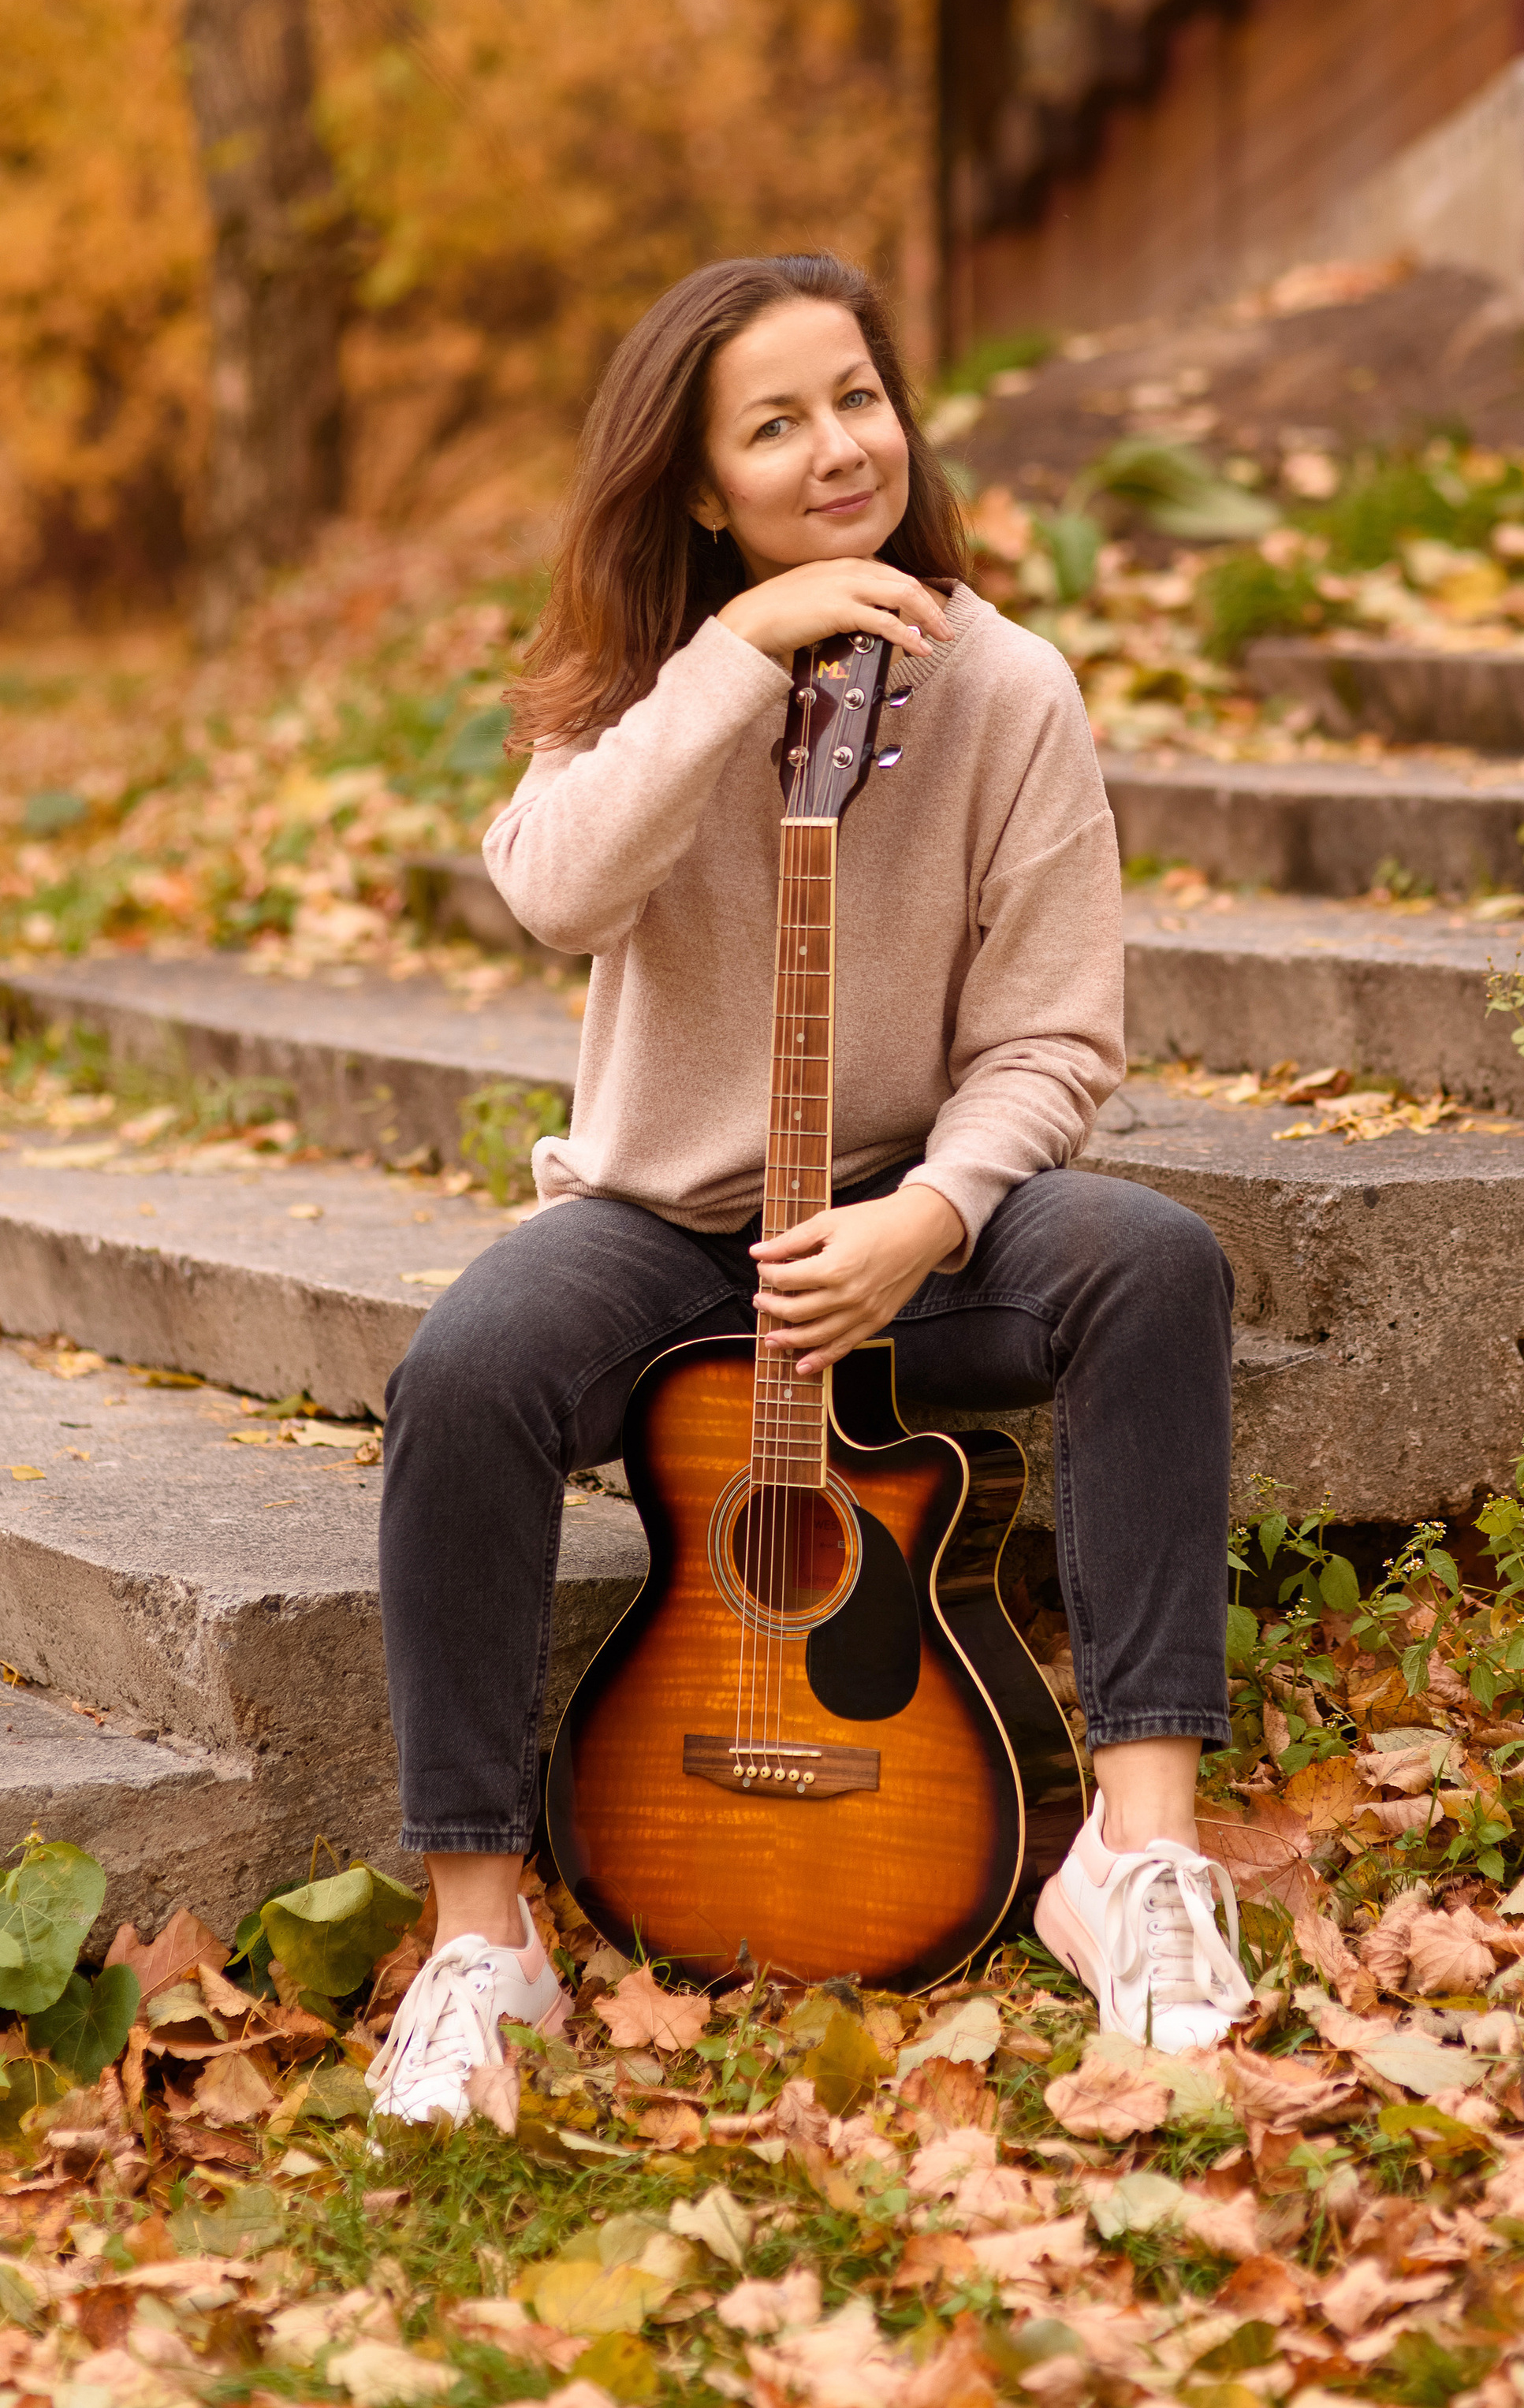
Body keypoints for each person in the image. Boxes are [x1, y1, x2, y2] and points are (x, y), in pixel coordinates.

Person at [367, 252, 1250, 2126]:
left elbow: (1058, 1038)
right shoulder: (631, 686)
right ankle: (479, 1940)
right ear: (700, 484)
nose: (839, 447)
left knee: (1149, 1264)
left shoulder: (1005, 685)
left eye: (858, 397)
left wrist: (929, 1217)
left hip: (915, 1220)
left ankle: (1139, 1857)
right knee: (462, 1376)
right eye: (775, 424)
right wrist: (726, 666)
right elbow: (552, 893)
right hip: (662, 1221)